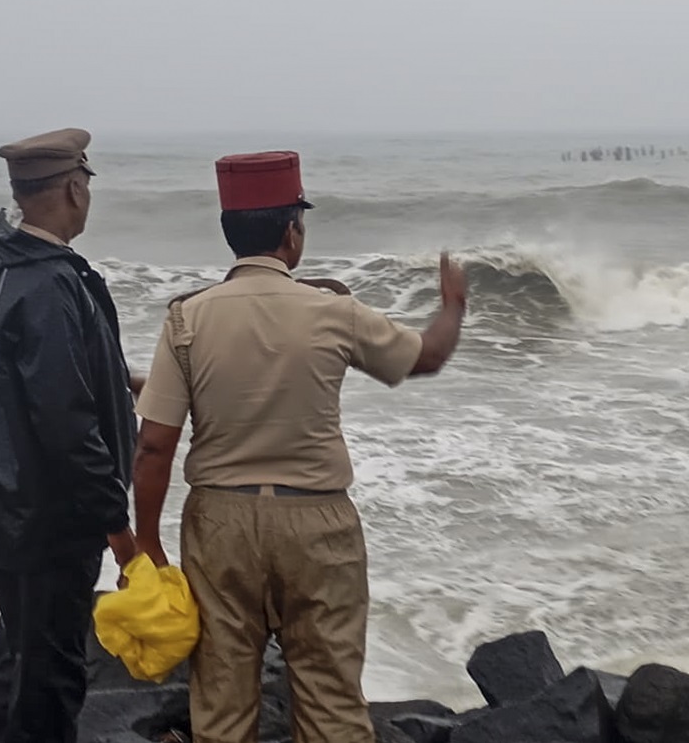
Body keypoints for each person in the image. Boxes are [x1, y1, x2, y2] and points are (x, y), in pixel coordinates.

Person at [133, 150, 467, 743]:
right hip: (318, 521)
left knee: (221, 703)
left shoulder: (187, 319)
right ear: (293, 233)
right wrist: (452, 306)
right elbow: (429, 356)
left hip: (218, 523)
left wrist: (148, 544)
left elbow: (155, 444)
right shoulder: (334, 311)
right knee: (332, 700)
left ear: (230, 233)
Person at [0, 128, 139, 743]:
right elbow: (65, 419)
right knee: (53, 673)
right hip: (50, 514)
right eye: (84, 183)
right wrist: (117, 522)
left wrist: (128, 380)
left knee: (15, 649)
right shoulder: (49, 284)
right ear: (72, 188)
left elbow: (27, 374)